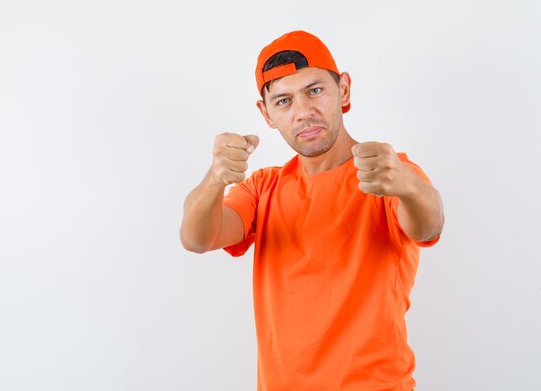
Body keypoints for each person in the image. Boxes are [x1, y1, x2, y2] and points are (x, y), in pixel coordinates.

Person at [179, 30, 444, 391]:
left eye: (314, 90)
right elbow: (196, 238)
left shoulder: (387, 173)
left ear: (344, 90)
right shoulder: (262, 187)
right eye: (284, 101)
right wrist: (215, 178)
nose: (304, 112)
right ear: (267, 114)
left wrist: (408, 186)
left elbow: (428, 226)